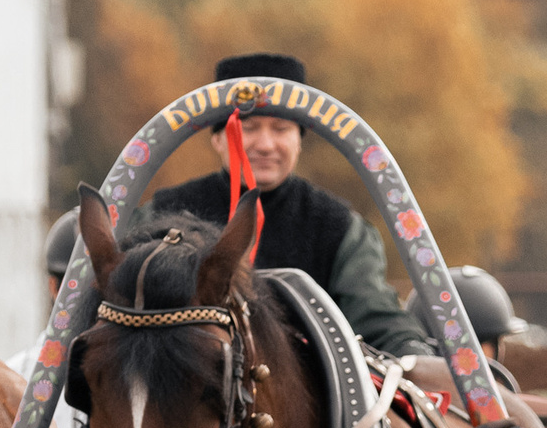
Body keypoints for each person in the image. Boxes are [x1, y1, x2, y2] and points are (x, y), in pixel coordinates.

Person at [148, 53, 435, 362]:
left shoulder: (338, 227)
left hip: (309, 403)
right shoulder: (163, 216)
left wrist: (415, 356)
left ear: (300, 139)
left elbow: (375, 316)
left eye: (281, 128)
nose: (265, 144)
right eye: (249, 126)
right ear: (217, 138)